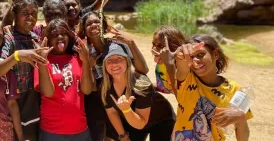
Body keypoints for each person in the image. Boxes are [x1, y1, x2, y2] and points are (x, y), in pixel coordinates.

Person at [79, 11, 149, 141]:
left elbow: (143, 70)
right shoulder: (83, 51)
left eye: (96, 22)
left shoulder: (117, 45)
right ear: (83, 29)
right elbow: (90, 89)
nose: (94, 25)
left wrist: (132, 43)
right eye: (89, 23)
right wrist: (88, 65)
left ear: (103, 25)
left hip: (123, 102)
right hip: (97, 105)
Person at [169, 34, 253, 141]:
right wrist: (181, 54)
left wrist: (241, 117)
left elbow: (243, 138)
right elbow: (182, 67)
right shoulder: (186, 80)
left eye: (200, 54)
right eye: (191, 56)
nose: (195, 61)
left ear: (216, 54)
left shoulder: (235, 89)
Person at [0, 0, 49, 141]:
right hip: (11, 102)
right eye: (25, 13)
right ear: (15, 16)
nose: (30, 17)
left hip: (32, 99)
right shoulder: (8, 38)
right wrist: (17, 56)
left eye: (34, 13)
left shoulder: (35, 38)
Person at [101, 43, 176, 141]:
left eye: (119, 58)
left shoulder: (141, 85)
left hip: (161, 120)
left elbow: (140, 124)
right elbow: (112, 112)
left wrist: (126, 110)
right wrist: (123, 137)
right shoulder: (106, 86)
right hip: (133, 119)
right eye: (109, 60)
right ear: (104, 65)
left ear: (127, 61)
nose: (114, 63)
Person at [34, 19, 94, 140]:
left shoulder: (77, 58)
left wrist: (86, 61)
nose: (60, 37)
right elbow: (48, 92)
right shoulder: (41, 61)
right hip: (52, 131)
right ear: (49, 39)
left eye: (64, 33)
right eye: (55, 35)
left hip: (80, 129)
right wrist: (43, 62)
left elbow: (87, 90)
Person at [151, 26, 186, 95]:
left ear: (175, 47)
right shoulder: (160, 67)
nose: (154, 49)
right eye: (153, 44)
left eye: (160, 46)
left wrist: (169, 65)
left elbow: (180, 96)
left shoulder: (185, 67)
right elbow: (165, 89)